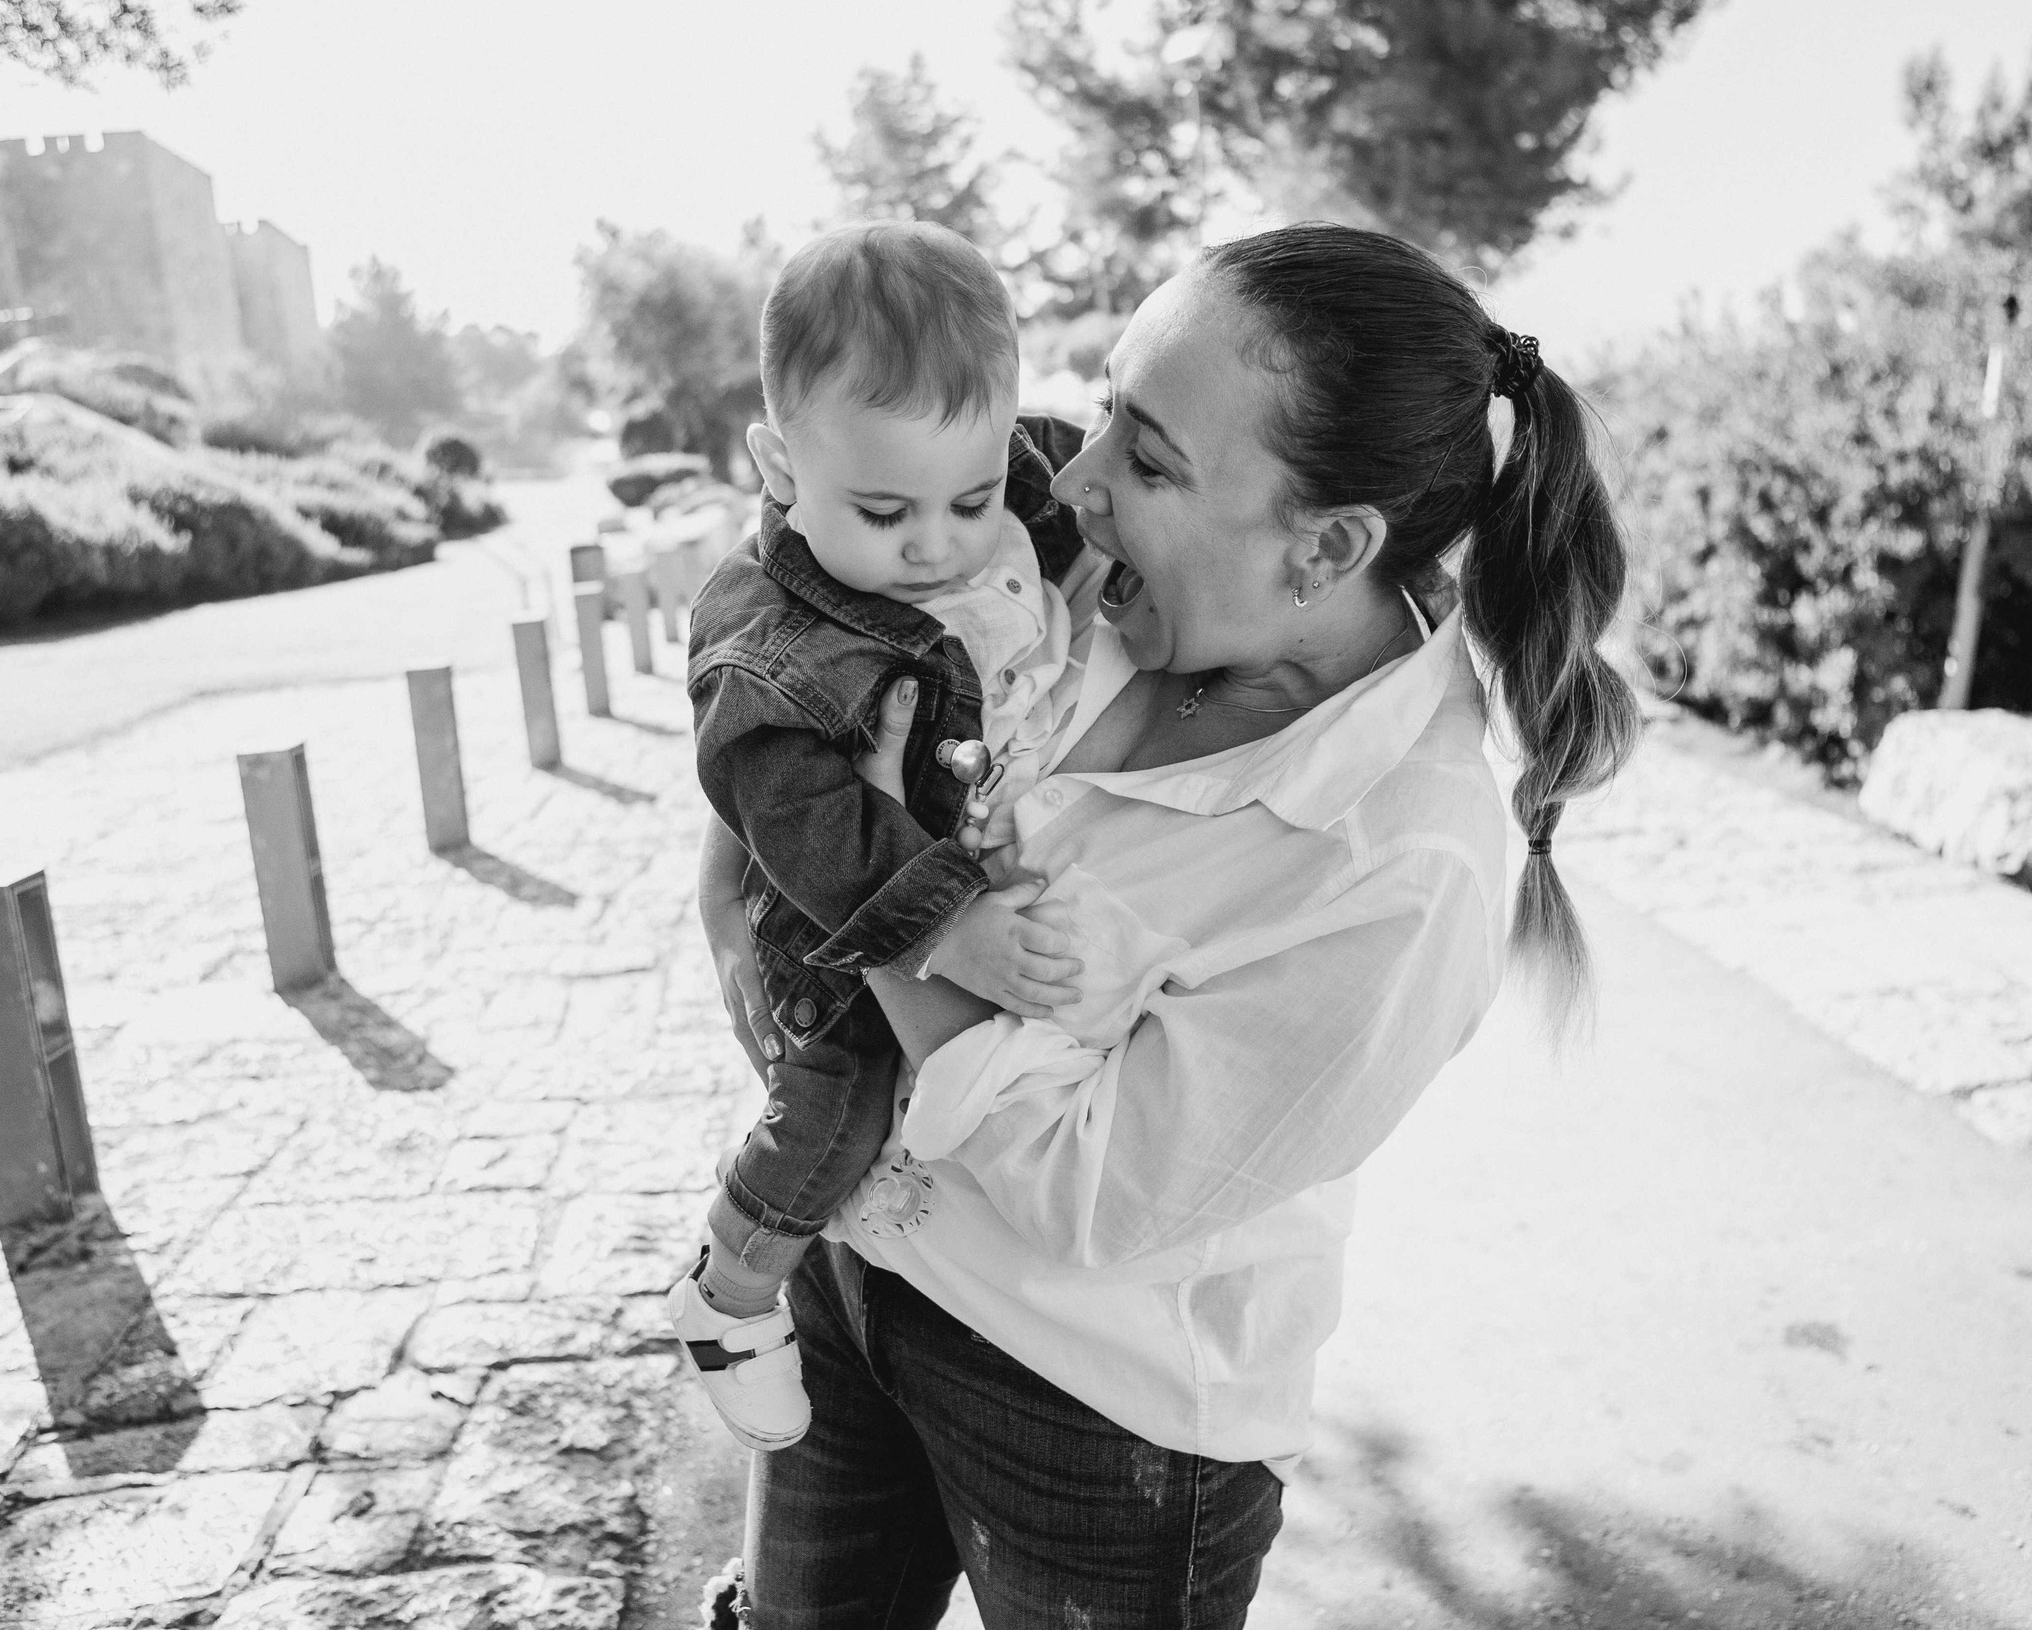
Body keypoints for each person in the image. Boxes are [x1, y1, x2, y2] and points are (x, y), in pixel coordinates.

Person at [700, 223, 1639, 1627]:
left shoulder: (1403, 863)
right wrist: (744, 883)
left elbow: (1088, 1192)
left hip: (1090, 1417)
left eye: (1146, 458)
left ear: (1326, 545)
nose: (1069, 477)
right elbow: (802, 678)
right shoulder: (1087, 569)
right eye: (1105, 413)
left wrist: (887, 912)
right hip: (859, 1263)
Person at [670, 220, 1094, 1450]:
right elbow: (796, 823)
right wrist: (950, 928)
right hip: (837, 906)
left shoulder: (1020, 485)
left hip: (954, 838)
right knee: (841, 1100)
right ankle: (729, 1286)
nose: (935, 541)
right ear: (778, 464)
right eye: (884, 509)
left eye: (969, 497)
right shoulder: (764, 637)